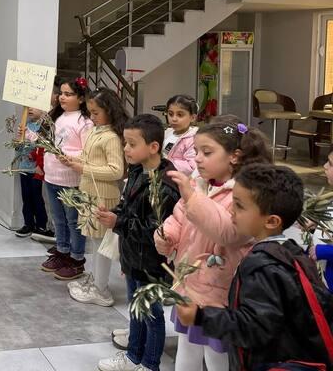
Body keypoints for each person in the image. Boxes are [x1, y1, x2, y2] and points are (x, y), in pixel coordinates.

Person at [176, 163, 333, 370]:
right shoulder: (290, 251)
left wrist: (201, 317)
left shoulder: (263, 265)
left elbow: (254, 328)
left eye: (240, 206)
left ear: (271, 221)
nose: (232, 211)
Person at [155, 118, 271, 371]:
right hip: (191, 282)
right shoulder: (199, 182)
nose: (197, 159)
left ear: (234, 156)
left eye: (207, 153)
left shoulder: (245, 193)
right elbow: (179, 216)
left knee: (216, 354)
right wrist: (167, 235)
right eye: (196, 151)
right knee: (187, 346)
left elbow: (228, 233)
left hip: (219, 290)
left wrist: (192, 197)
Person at [96, 114, 180, 371]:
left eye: (132, 144)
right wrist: (115, 214)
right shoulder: (137, 170)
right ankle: (133, 356)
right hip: (134, 256)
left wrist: (118, 223)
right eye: (125, 143)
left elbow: (156, 231)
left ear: (153, 147)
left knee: (152, 315)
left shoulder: (165, 185)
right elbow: (128, 206)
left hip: (152, 263)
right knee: (136, 309)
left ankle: (149, 364)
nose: (125, 149)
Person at [66, 88, 127, 307]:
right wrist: (72, 160)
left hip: (103, 196)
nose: (92, 117)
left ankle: (101, 289)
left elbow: (116, 170)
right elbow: (87, 157)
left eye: (96, 113)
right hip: (89, 193)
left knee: (102, 244)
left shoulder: (111, 137)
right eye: (90, 112)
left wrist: (83, 168)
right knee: (94, 241)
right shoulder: (95, 131)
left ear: (109, 111)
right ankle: (96, 280)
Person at [40, 77, 93, 280]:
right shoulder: (57, 116)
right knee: (58, 219)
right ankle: (62, 251)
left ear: (80, 98)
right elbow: (47, 141)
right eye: (61, 93)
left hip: (71, 180)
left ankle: (77, 258)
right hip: (52, 176)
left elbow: (88, 152)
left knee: (73, 221)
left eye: (68, 94)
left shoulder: (84, 122)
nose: (62, 97)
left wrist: (69, 156)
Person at [13, 108, 48, 238]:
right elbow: (18, 147)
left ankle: (41, 225)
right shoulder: (25, 124)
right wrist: (18, 139)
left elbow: (43, 146)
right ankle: (28, 224)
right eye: (28, 106)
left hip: (36, 169)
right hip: (24, 167)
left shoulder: (43, 126)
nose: (30, 109)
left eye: (34, 106)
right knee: (26, 197)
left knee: (37, 197)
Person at [164, 95, 199, 176]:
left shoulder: (194, 139)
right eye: (170, 114)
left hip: (180, 180)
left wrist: (164, 163)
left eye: (180, 115)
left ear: (192, 118)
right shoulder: (166, 133)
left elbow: (191, 167)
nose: (174, 119)